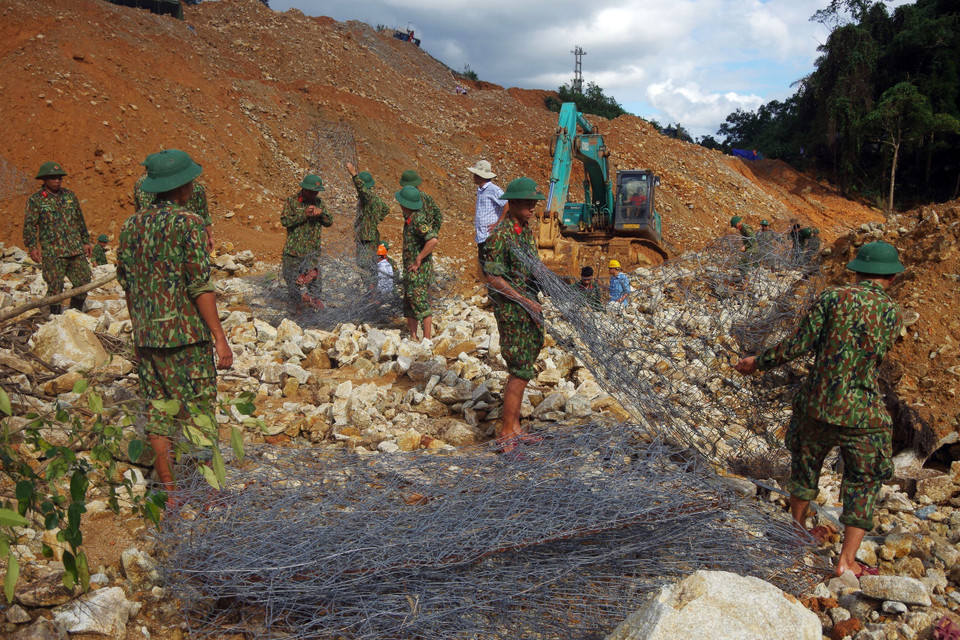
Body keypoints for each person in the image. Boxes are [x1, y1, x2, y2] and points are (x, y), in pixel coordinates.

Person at [734, 241, 904, 577]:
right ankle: (847, 561)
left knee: (805, 466)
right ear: (891, 278)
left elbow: (799, 344)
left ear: (855, 272)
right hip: (863, 412)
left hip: (817, 404)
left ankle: (796, 533)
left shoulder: (832, 297)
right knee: (863, 481)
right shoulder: (892, 312)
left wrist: (759, 362)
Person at [116, 149, 232, 506]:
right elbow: (199, 285)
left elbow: (128, 286)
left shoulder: (131, 225)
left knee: (157, 411)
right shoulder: (189, 222)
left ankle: (170, 492)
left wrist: (139, 333)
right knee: (199, 410)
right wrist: (219, 337)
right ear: (181, 187)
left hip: (149, 337)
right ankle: (208, 492)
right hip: (187, 336)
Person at [484, 177, 547, 455]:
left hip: (529, 309)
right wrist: (523, 300)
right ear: (512, 203)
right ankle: (506, 433)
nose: (533, 207)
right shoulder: (501, 236)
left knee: (525, 369)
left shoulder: (524, 230)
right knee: (519, 372)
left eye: (534, 203)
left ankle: (516, 428)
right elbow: (493, 278)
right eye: (528, 203)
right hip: (513, 312)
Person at [23, 161, 93, 315]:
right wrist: (32, 246)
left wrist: (86, 241)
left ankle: (74, 313)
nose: (57, 181)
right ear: (44, 179)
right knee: (55, 287)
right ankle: (55, 318)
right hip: (53, 252)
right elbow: (30, 225)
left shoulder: (69, 196)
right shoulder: (36, 200)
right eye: (53, 178)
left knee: (84, 282)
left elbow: (79, 220)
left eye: (59, 178)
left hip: (75, 249)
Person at [135, 158, 215, 252]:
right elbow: (204, 214)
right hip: (187, 233)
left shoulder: (142, 185)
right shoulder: (196, 188)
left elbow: (140, 209)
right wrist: (210, 236)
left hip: (153, 233)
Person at [280, 173, 333, 310]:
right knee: (292, 282)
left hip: (312, 251)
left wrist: (321, 214)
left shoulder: (319, 203)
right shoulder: (292, 201)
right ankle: (296, 309)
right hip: (293, 251)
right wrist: (304, 215)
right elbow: (285, 221)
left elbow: (329, 222)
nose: (314, 194)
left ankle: (312, 307)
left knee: (315, 281)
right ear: (304, 189)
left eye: (316, 192)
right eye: (311, 192)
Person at [397, 185, 439, 340]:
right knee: (410, 302)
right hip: (411, 270)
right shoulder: (410, 220)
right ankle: (413, 336)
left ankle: (427, 340)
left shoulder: (419, 220)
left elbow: (433, 240)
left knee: (420, 303)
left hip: (419, 272)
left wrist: (419, 258)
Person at [347, 161, 389, 276]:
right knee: (370, 264)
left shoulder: (368, 197)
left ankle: (371, 286)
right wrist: (374, 218)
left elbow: (361, 189)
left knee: (365, 266)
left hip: (366, 238)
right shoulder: (375, 198)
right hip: (371, 235)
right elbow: (386, 209)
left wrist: (354, 174)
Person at [467, 159, 504, 274]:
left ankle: (494, 283)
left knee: (492, 266)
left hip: (490, 235)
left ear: (481, 176)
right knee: (484, 263)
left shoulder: (494, 190)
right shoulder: (481, 190)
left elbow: (507, 204)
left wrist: (498, 223)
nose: (473, 177)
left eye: (475, 174)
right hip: (482, 234)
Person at [399, 169, 442, 239]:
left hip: (415, 239)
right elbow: (438, 216)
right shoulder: (427, 197)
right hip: (425, 236)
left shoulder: (408, 200)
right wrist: (433, 232)